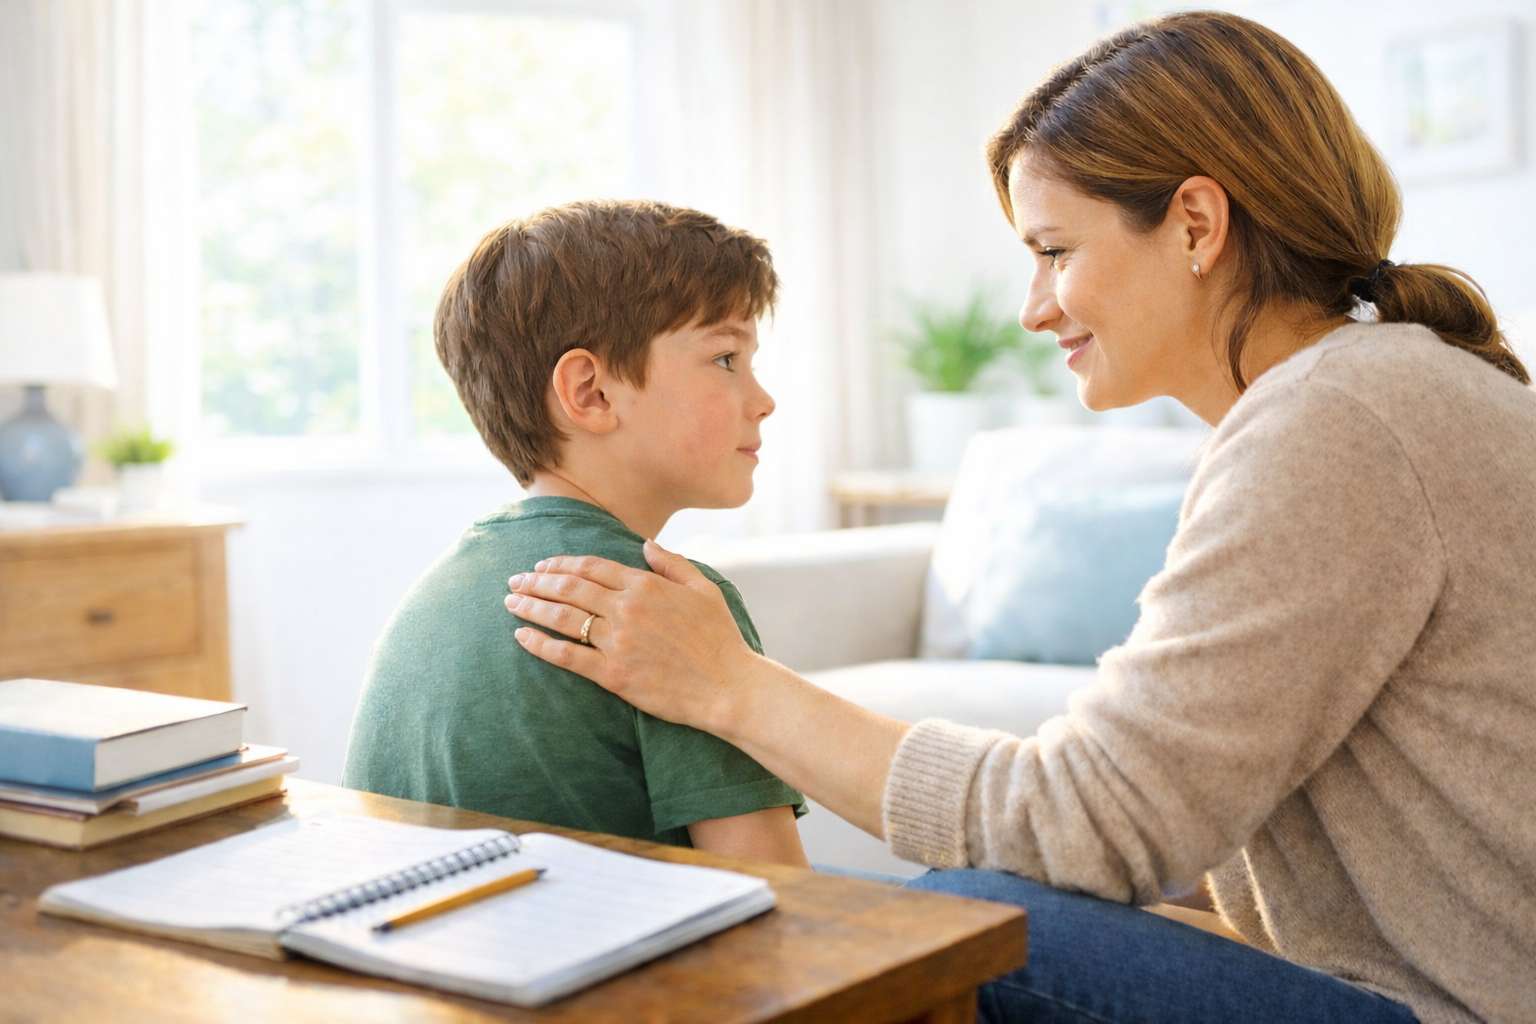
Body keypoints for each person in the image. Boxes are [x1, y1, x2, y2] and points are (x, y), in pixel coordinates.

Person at [500, 12, 1536, 1023]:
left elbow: (1093, 821)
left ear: (1196, 225)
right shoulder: (1372, 394)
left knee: (965, 925)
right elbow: (1170, 820)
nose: (1033, 307)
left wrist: (733, 689)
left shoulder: (1334, 422)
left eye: (1054, 251)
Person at [343, 199, 807, 867]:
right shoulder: (665, 607)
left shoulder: (432, 596)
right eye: (727, 358)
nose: (763, 399)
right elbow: (783, 901)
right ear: (590, 392)